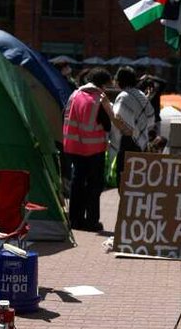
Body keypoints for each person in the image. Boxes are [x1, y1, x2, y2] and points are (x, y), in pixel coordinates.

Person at [62, 67, 115, 232]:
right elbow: (107, 125)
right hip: (94, 148)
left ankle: (74, 220)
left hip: (73, 146)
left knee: (77, 183)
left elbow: (64, 114)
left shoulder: (75, 94)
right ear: (103, 84)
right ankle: (92, 221)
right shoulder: (99, 99)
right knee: (94, 185)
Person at [111, 67, 161, 189]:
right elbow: (150, 117)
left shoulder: (123, 96)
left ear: (120, 80)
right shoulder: (141, 95)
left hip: (127, 141)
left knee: (123, 179)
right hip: (141, 143)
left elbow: (117, 118)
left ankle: (124, 206)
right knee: (135, 179)